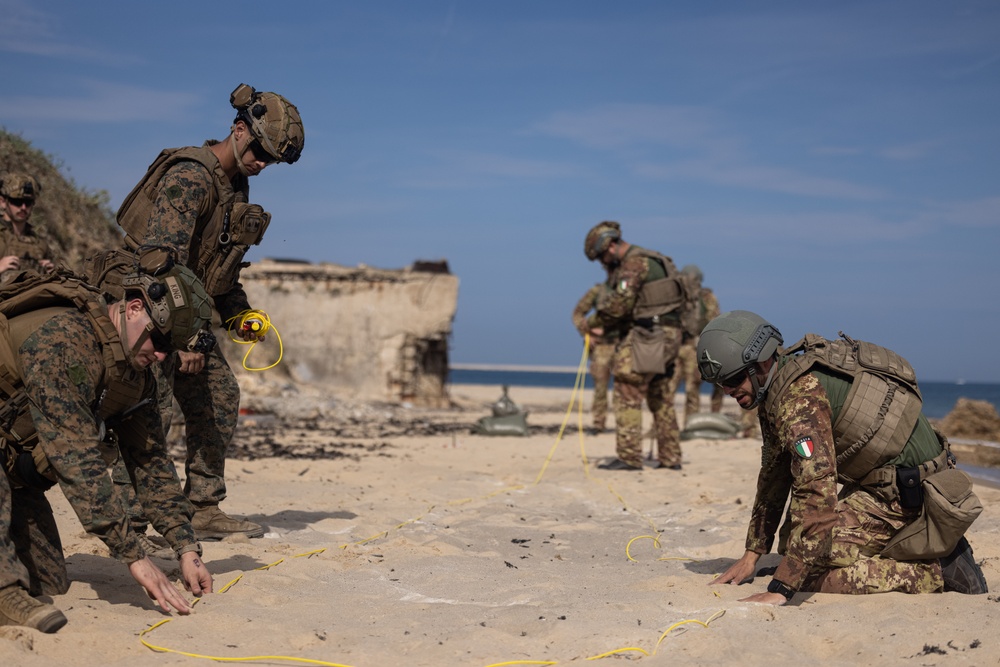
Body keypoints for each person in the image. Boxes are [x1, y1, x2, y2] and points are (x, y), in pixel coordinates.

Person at [86, 83, 305, 544]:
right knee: (152, 411)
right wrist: (185, 341)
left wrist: (239, 318)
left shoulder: (236, 188)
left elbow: (217, 274)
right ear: (239, 129)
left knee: (220, 396)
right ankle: (130, 524)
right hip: (146, 307)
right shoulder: (191, 177)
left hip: (184, 309)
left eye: (272, 160)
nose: (263, 164)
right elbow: (159, 265)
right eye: (260, 151)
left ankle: (202, 505)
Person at [698, 310, 988, 604]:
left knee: (805, 568)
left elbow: (816, 493)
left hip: (905, 494)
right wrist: (753, 553)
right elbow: (774, 474)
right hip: (894, 481)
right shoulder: (780, 383)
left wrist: (783, 588)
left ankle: (940, 570)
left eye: (733, 379)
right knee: (793, 545)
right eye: (720, 384)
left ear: (761, 363)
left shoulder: (799, 400)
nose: (728, 391)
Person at [0, 256, 216, 632]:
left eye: (172, 347)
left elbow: (149, 461)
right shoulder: (64, 340)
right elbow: (76, 457)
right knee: (11, 586)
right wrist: (132, 554)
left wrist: (186, 547)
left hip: (16, 477)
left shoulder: (134, 375)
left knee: (50, 581)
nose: (162, 355)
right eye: (160, 338)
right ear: (134, 307)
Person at [581, 221, 693, 471]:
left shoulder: (634, 263)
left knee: (626, 387)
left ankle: (630, 457)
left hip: (648, 335)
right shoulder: (657, 260)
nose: (602, 263)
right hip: (670, 336)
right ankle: (671, 456)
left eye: (601, 257)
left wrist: (595, 323)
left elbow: (619, 305)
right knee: (660, 394)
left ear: (609, 246)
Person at [669, 264, 723, 424]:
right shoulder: (682, 298)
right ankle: (678, 425)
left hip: (687, 347)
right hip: (683, 348)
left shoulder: (702, 298)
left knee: (685, 389)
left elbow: (713, 323)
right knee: (678, 390)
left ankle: (687, 424)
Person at [572, 280, 618, 433]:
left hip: (623, 345)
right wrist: (586, 333)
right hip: (601, 346)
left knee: (625, 387)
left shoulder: (628, 290)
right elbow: (577, 314)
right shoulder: (598, 291)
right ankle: (599, 423)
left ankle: (624, 425)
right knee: (600, 387)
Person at [0, 172, 57, 281]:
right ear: (2, 202)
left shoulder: (40, 244)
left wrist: (51, 272)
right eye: (17, 202)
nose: (23, 207)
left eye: (28, 202)